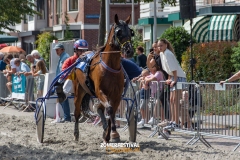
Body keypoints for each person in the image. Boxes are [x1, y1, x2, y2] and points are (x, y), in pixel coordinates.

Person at [157, 38, 186, 130]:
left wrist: (175, 79)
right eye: (158, 46)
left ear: (166, 45)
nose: (159, 47)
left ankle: (176, 122)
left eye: (161, 45)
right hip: (173, 76)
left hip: (178, 76)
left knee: (175, 100)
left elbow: (174, 68)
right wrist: (169, 79)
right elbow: (167, 69)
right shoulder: (162, 54)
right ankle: (173, 120)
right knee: (171, 99)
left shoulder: (168, 53)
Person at [53, 43, 71, 123]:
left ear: (62, 49)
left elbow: (65, 71)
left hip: (63, 81)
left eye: (57, 50)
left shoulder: (65, 57)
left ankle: (67, 117)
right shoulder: (62, 57)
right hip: (60, 80)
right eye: (56, 50)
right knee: (62, 99)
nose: (56, 51)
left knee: (63, 99)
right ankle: (66, 117)